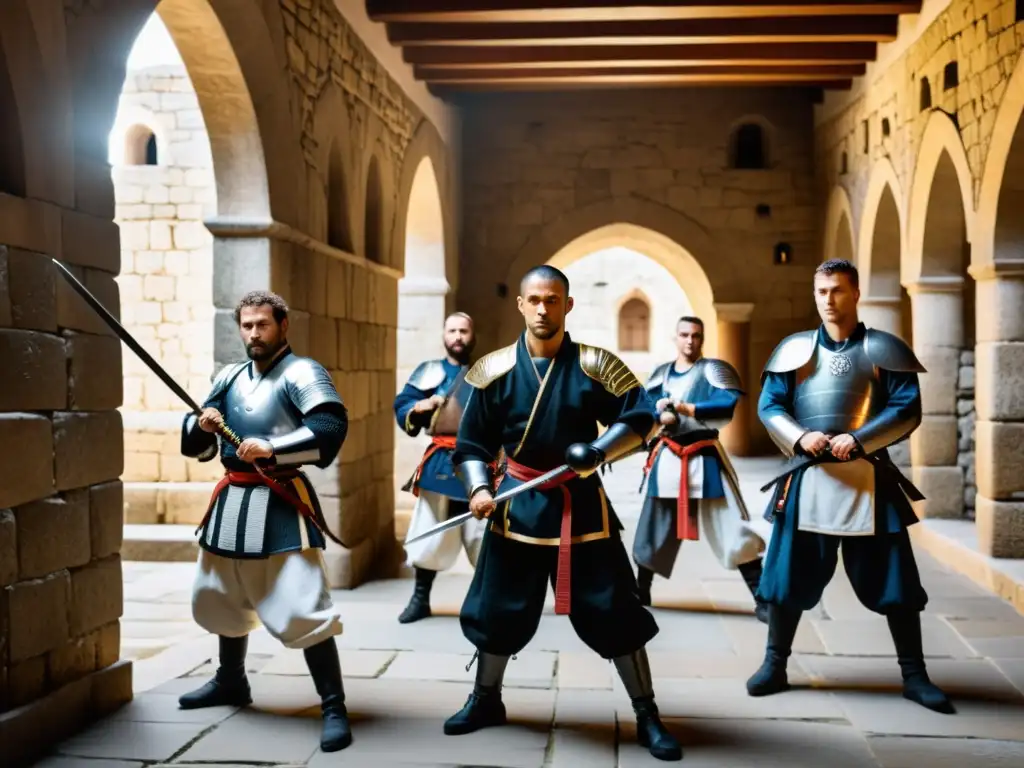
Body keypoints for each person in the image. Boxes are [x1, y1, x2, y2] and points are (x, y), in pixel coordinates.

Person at [444, 265, 683, 762]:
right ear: (520, 304)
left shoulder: (596, 365)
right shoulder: (492, 372)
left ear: (567, 305)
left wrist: (599, 451)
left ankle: (646, 713)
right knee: (496, 610)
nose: (542, 309)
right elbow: (470, 446)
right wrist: (479, 489)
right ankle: (485, 699)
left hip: (583, 507)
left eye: (552, 300)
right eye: (534, 299)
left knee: (614, 609)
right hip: (516, 507)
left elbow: (639, 417)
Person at [749, 258, 954, 715]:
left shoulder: (884, 348)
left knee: (896, 581)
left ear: (856, 293)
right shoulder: (793, 350)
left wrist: (859, 438)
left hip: (869, 481)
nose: (828, 299)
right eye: (822, 291)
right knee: (784, 579)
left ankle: (915, 674)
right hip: (807, 479)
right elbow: (770, 405)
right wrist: (801, 436)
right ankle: (774, 664)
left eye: (838, 290)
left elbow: (907, 409)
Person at [177, 290, 355, 752]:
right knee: (221, 595)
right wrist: (204, 426)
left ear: (283, 325)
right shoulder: (230, 376)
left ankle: (333, 704)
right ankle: (230, 680)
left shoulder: (302, 372)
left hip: (278, 501)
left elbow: (331, 429)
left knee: (301, 603)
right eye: (247, 325)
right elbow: (195, 445)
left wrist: (275, 448)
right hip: (232, 499)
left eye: (263, 324)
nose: (254, 333)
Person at [636, 316, 768, 622]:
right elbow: (644, 407)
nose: (690, 341)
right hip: (668, 456)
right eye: (684, 334)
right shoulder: (661, 374)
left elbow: (726, 403)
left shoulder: (714, 370)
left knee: (731, 525)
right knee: (653, 526)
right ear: (675, 337)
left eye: (696, 335)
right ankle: (640, 590)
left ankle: (761, 596)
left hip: (704, 455)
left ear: (702, 338)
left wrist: (687, 409)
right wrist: (658, 413)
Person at [394, 312, 487, 623]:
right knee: (429, 532)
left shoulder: (489, 373)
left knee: (483, 535)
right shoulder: (429, 371)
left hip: (482, 462)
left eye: (463, 330)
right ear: (444, 335)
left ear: (473, 335)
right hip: (441, 463)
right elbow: (403, 404)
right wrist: (418, 407)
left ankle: (483, 605)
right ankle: (420, 600)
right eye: (452, 331)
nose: (458, 336)